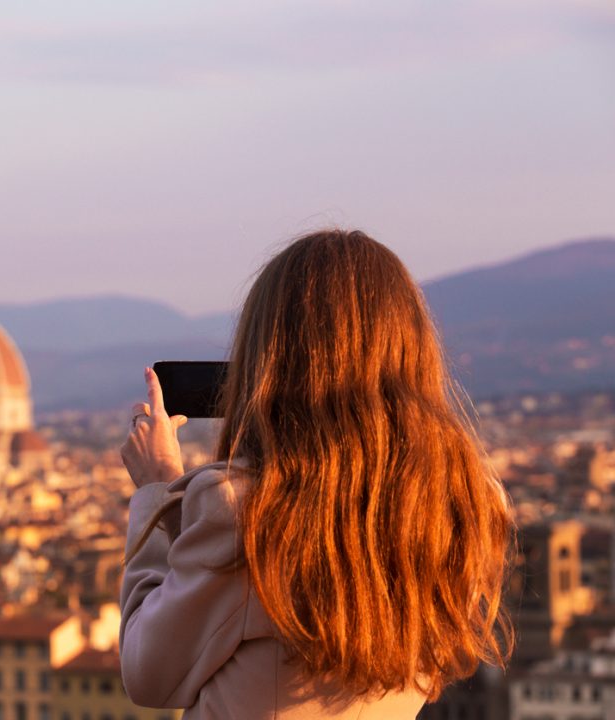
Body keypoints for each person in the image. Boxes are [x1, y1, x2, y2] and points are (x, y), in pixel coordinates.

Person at [119, 230, 513, 719]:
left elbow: (149, 674)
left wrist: (159, 490)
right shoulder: (463, 506)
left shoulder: (242, 510)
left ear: (270, 359)